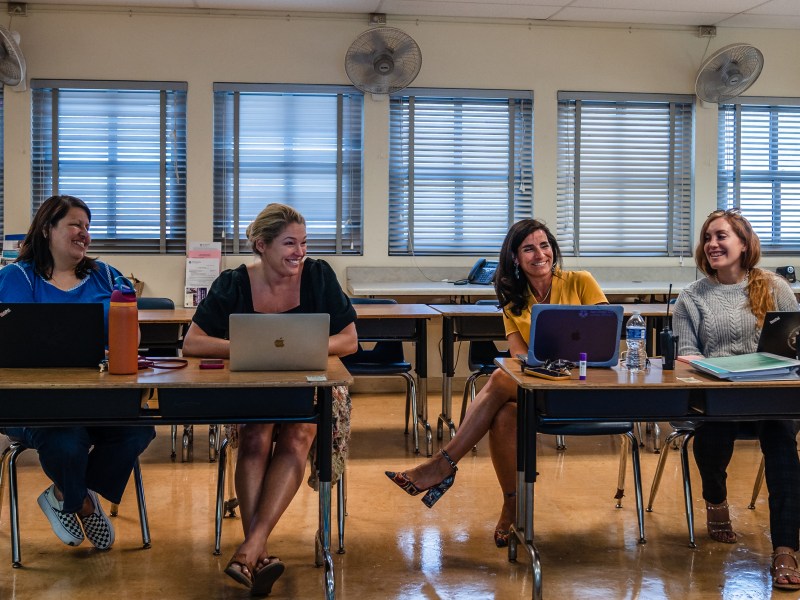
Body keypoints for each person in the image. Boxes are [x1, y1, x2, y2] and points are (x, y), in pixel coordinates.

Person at [385, 218, 607, 547]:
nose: (540, 254)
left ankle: (442, 464)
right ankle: (512, 504)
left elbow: (605, 335)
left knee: (502, 377)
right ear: (515, 258)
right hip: (539, 385)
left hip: (582, 383)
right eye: (529, 248)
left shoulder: (580, 281)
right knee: (503, 417)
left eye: (544, 245)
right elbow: (518, 354)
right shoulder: (511, 296)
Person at [182, 203, 357, 596]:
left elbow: (350, 340)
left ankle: (249, 548)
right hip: (253, 383)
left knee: (298, 435)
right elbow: (191, 343)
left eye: (304, 243)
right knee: (256, 433)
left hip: (312, 383)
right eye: (289, 243)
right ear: (261, 245)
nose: (300, 252)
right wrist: (244, 350)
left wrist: (306, 350)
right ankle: (256, 549)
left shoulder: (318, 276)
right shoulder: (233, 283)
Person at [0, 194, 155, 551]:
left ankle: (63, 492)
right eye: (74, 224)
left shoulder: (107, 276)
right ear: (46, 229)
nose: (83, 233)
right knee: (65, 442)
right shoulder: (14, 278)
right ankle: (82, 504)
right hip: (34, 401)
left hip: (97, 395)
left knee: (138, 431)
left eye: (87, 227)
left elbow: (131, 337)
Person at [672, 208, 800, 591]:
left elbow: (794, 344)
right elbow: (686, 353)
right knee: (712, 437)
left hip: (770, 396)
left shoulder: (774, 287)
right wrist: (715, 369)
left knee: (782, 451)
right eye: (708, 237)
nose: (712, 244)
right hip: (718, 398)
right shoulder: (691, 298)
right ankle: (715, 501)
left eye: (722, 236)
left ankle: (785, 551)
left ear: (744, 244)